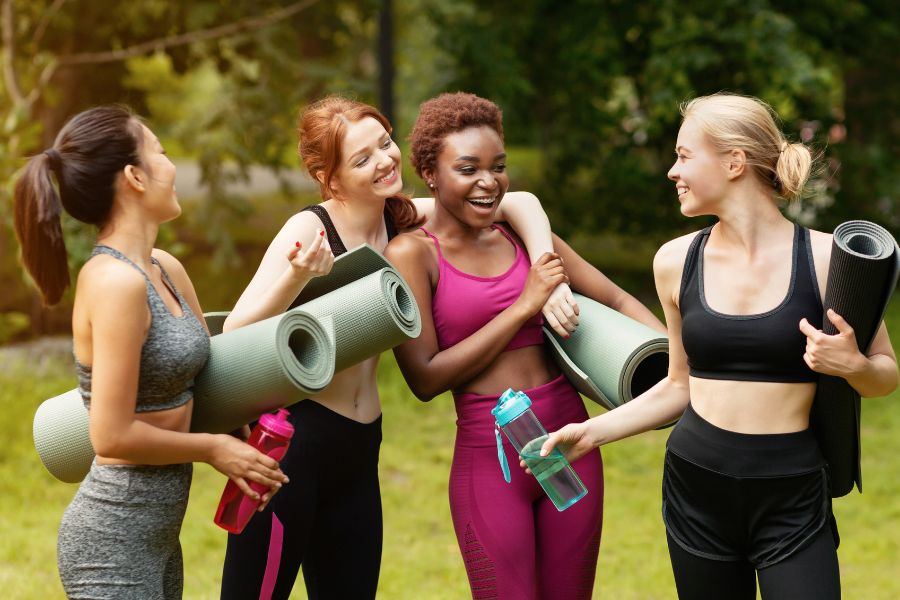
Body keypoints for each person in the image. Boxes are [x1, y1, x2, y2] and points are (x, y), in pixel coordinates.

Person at [534, 93, 898, 599]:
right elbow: (679, 385)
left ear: (734, 161)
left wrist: (852, 364)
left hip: (790, 493)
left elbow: (885, 375)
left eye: (684, 155)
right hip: (696, 489)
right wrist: (591, 433)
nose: (670, 171)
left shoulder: (826, 260)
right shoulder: (675, 261)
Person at [218, 95, 572, 600]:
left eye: (384, 143)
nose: (385, 160)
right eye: (362, 159)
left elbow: (521, 202)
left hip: (361, 445)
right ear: (331, 178)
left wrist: (548, 273)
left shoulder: (401, 218)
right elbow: (235, 329)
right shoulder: (311, 228)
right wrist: (295, 276)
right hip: (295, 443)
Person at [384, 92, 665, 599]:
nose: (488, 181)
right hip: (489, 452)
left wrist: (674, 363)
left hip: (569, 439)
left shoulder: (522, 236)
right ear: (429, 172)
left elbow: (619, 298)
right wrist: (522, 305)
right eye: (467, 168)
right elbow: (423, 378)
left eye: (498, 167)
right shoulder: (412, 254)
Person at [12, 106, 287, 598]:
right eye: (160, 152)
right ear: (134, 176)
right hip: (111, 540)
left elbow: (201, 375)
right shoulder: (114, 283)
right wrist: (214, 449)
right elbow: (111, 435)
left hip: (157, 535)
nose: (172, 165)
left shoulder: (164, 268)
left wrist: (244, 437)